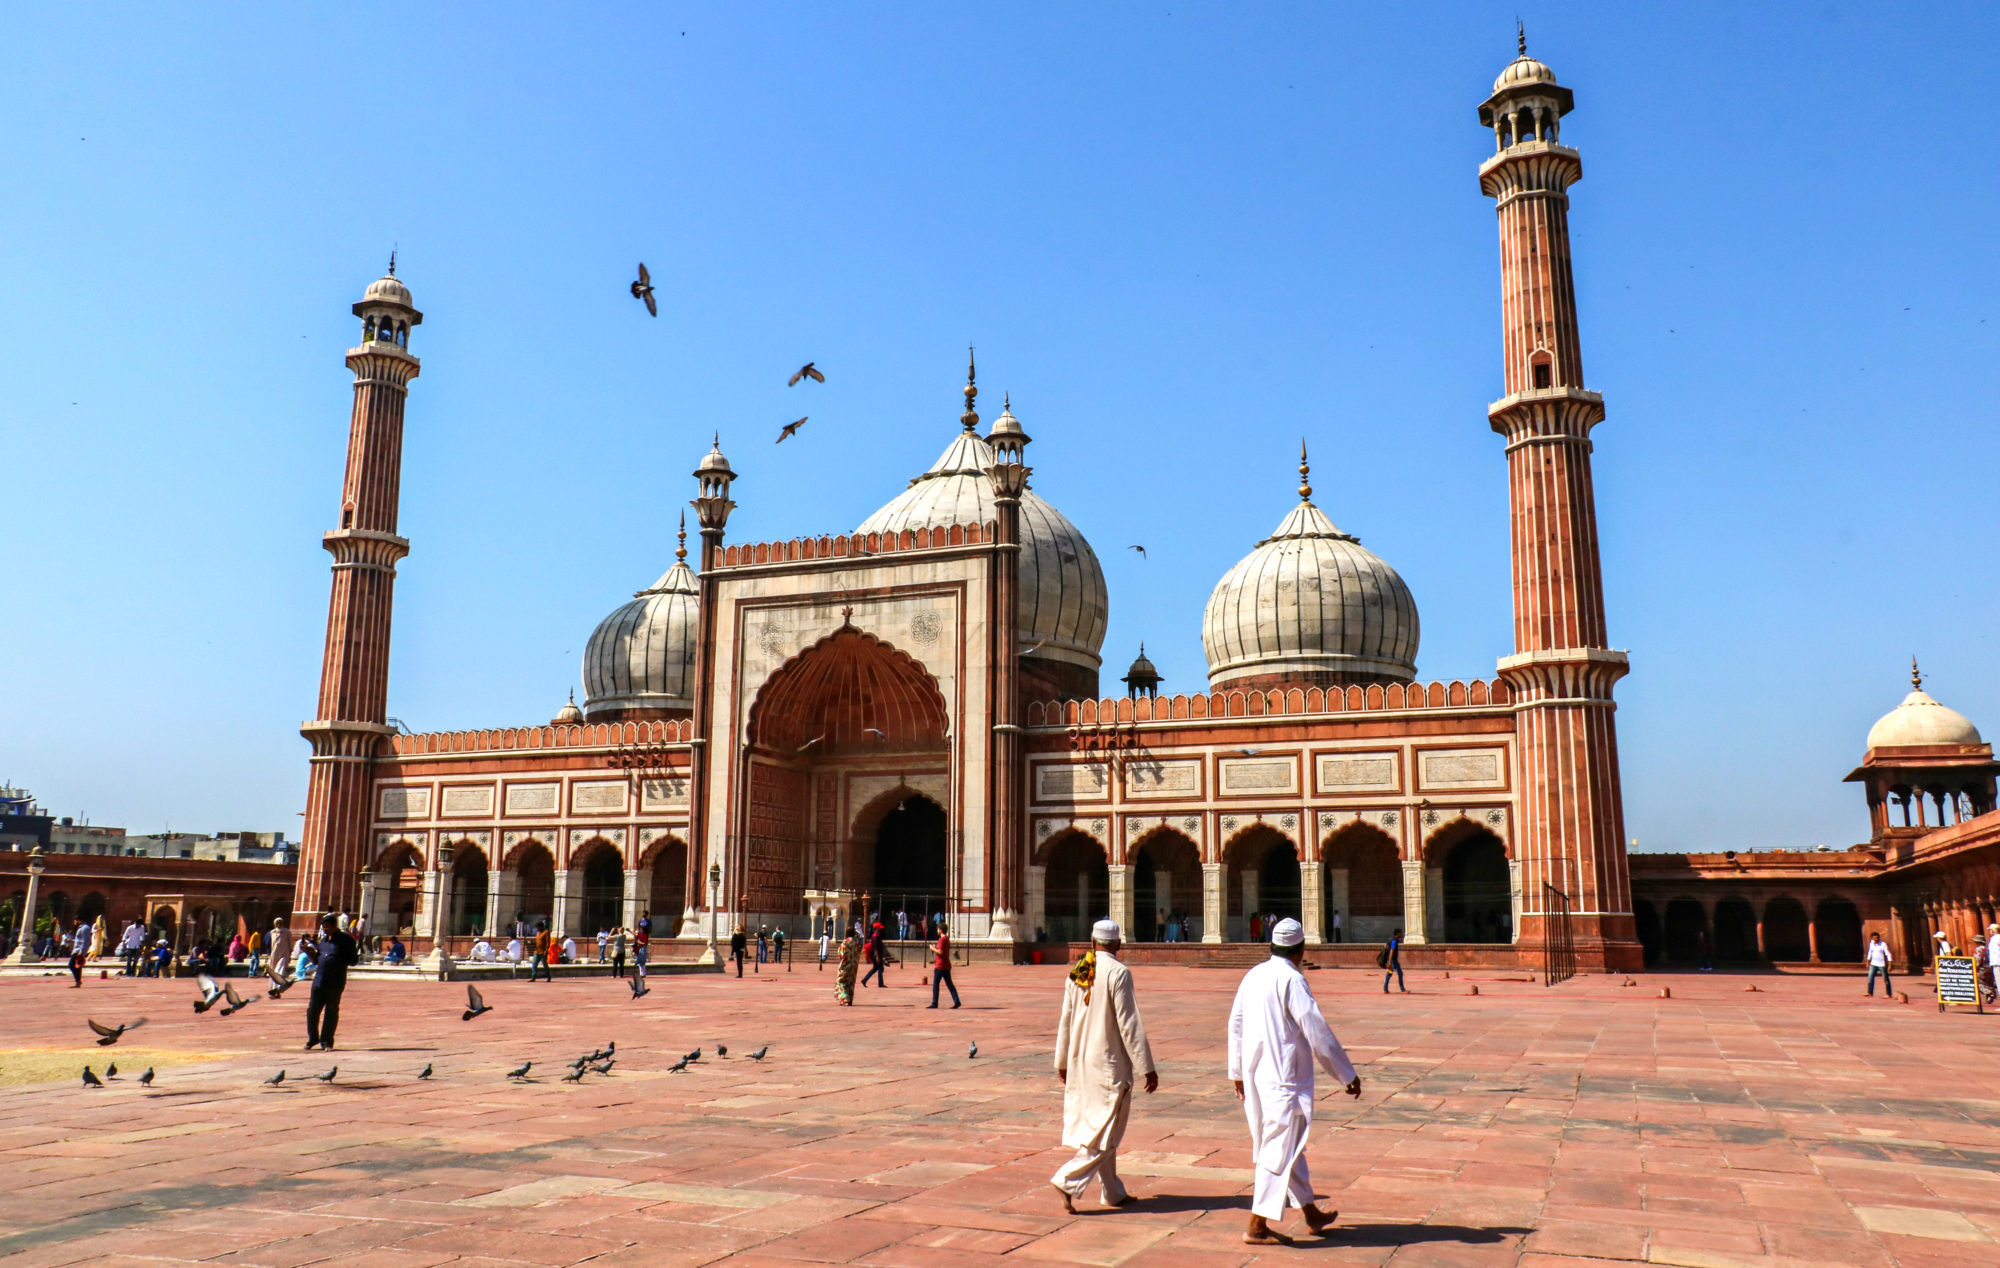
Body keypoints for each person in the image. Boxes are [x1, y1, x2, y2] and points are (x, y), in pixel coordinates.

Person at [1228, 917, 1361, 1245]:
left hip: (1258, 1075)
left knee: (1288, 1145)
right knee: (1278, 1147)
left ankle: (1310, 1212)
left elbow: (1236, 1024)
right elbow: (1315, 1028)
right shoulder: (1292, 979)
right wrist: (1346, 1073)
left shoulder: (1254, 975)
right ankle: (1257, 1225)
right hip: (1284, 1079)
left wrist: (1236, 1071)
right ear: (1301, 950)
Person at [1050, 919, 1156, 1213]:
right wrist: (1146, 1066)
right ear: (1118, 944)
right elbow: (1129, 1023)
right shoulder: (1118, 972)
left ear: (1092, 942)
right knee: (1107, 1129)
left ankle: (1112, 1191)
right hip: (1109, 1065)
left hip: (1081, 1061)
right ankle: (1067, 1180)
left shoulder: (1081, 968)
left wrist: (1062, 1061)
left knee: (1101, 1126)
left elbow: (1066, 1018)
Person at [306, 913, 359, 1051]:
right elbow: (317, 960)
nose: (326, 930)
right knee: (312, 1011)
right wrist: (308, 952)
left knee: (331, 1011)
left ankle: (326, 1041)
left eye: (328, 927)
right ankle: (313, 1038)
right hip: (319, 981)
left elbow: (354, 960)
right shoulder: (324, 941)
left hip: (335, 982)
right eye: (324, 928)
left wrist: (338, 960)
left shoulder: (346, 940)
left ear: (335, 926)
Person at [929, 920, 960, 1009]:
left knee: (935, 984)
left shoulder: (942, 940)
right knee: (950, 984)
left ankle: (934, 1003)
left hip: (940, 965)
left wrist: (932, 948)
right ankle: (956, 1000)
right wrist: (936, 947)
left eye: (938, 929)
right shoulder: (946, 939)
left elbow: (940, 952)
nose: (937, 931)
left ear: (941, 930)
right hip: (946, 965)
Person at [834, 928, 861, 1005]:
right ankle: (850, 999)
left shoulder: (845, 942)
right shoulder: (856, 941)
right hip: (854, 964)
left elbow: (841, 954)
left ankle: (845, 998)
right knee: (851, 982)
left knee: (842, 981)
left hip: (845, 964)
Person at [860, 921, 890, 989]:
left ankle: (864, 980)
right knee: (880, 969)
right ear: (877, 928)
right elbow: (876, 948)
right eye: (879, 928)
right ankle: (880, 983)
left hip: (876, 954)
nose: (881, 929)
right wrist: (877, 956)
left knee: (875, 969)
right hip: (876, 954)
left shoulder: (875, 936)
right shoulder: (875, 936)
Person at [1865, 932, 1893, 997]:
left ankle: (1888, 993)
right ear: (1872, 938)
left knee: (1886, 979)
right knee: (1870, 978)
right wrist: (1868, 962)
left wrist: (1890, 964)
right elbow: (1870, 953)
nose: (1876, 940)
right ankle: (1870, 992)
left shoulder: (1883, 944)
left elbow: (1888, 954)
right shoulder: (1871, 944)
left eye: (1877, 938)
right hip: (1873, 963)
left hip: (1882, 964)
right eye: (1874, 939)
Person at [1381, 928, 1406, 994]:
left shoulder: (1391, 939)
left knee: (1389, 974)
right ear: (1397, 933)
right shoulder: (1394, 941)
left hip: (1390, 960)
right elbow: (1392, 951)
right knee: (1400, 973)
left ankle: (1385, 989)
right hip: (1393, 961)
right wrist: (1390, 961)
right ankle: (1402, 989)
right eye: (1401, 933)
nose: (1402, 934)